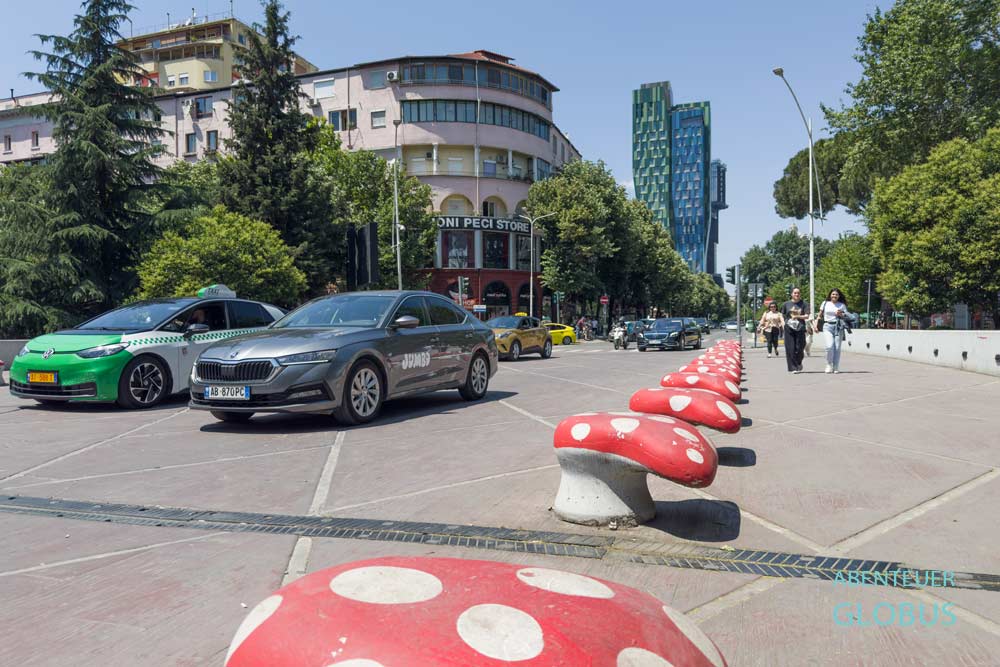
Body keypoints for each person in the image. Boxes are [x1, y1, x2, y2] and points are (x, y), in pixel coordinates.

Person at [817, 288, 854, 374]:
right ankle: (829, 364)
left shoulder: (842, 305)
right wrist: (815, 325)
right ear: (830, 295)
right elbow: (819, 315)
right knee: (829, 346)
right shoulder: (825, 303)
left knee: (837, 348)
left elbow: (846, 316)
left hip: (838, 326)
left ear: (839, 296)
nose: (834, 296)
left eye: (836, 294)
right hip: (827, 326)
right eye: (833, 294)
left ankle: (836, 366)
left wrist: (841, 314)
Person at [781, 287, 809, 374]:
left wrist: (797, 317)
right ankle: (793, 367)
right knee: (790, 348)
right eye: (795, 293)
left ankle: (799, 362)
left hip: (800, 328)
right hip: (789, 328)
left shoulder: (804, 304)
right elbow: (782, 315)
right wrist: (783, 324)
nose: (797, 294)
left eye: (798, 293)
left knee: (800, 347)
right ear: (791, 294)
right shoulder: (786, 304)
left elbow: (807, 316)